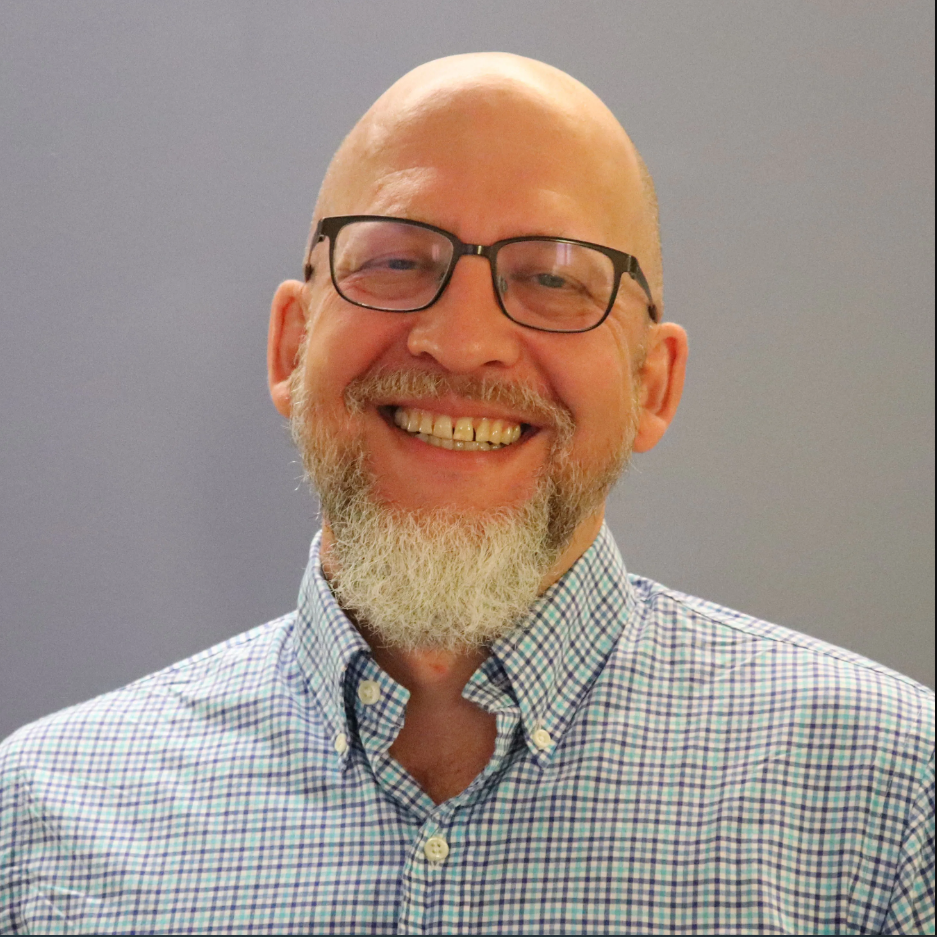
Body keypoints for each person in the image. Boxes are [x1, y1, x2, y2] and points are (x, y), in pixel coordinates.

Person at [0, 53, 932, 936]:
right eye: (397, 261)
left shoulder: (889, 801)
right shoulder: (40, 820)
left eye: (554, 278)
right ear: (292, 345)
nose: (461, 339)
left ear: (653, 384)